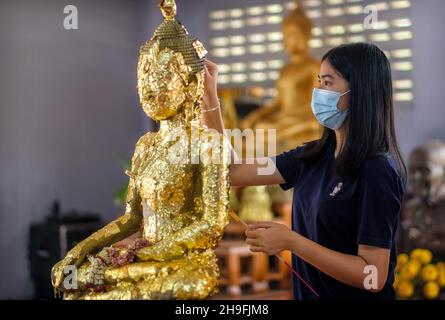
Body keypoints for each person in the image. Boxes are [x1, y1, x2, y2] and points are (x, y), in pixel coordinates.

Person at [201, 43, 406, 300]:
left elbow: (373, 277)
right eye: (319, 81)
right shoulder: (310, 157)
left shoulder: (377, 171)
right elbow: (231, 171)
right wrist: (210, 97)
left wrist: (292, 242)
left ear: (360, 92)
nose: (318, 92)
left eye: (328, 83)